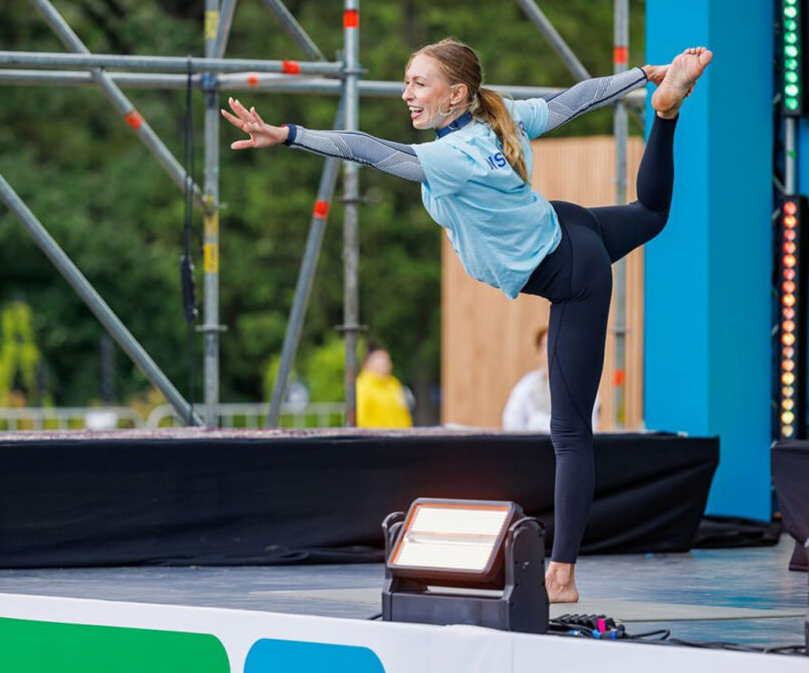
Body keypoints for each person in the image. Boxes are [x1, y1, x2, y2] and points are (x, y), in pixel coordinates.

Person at [221, 38, 712, 603]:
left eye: (419, 84)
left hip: (573, 275)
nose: (407, 94)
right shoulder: (494, 118)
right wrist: (638, 76)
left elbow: (364, 149)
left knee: (571, 432)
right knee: (649, 214)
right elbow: (569, 102)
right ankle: (667, 112)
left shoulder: (450, 156)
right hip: (571, 227)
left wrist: (289, 135)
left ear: (456, 94)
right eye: (406, 81)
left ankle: (563, 573)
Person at [503, 327, 599, 433]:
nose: (553, 351)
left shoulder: (583, 387)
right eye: (547, 346)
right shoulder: (526, 386)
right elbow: (511, 424)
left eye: (558, 346)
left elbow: (590, 428)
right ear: (539, 352)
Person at [356, 345, 413, 429]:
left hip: (400, 437)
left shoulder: (394, 384)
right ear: (367, 364)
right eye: (378, 362)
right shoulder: (362, 386)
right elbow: (361, 419)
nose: (383, 366)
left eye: (386, 361)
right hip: (376, 438)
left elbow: (404, 413)